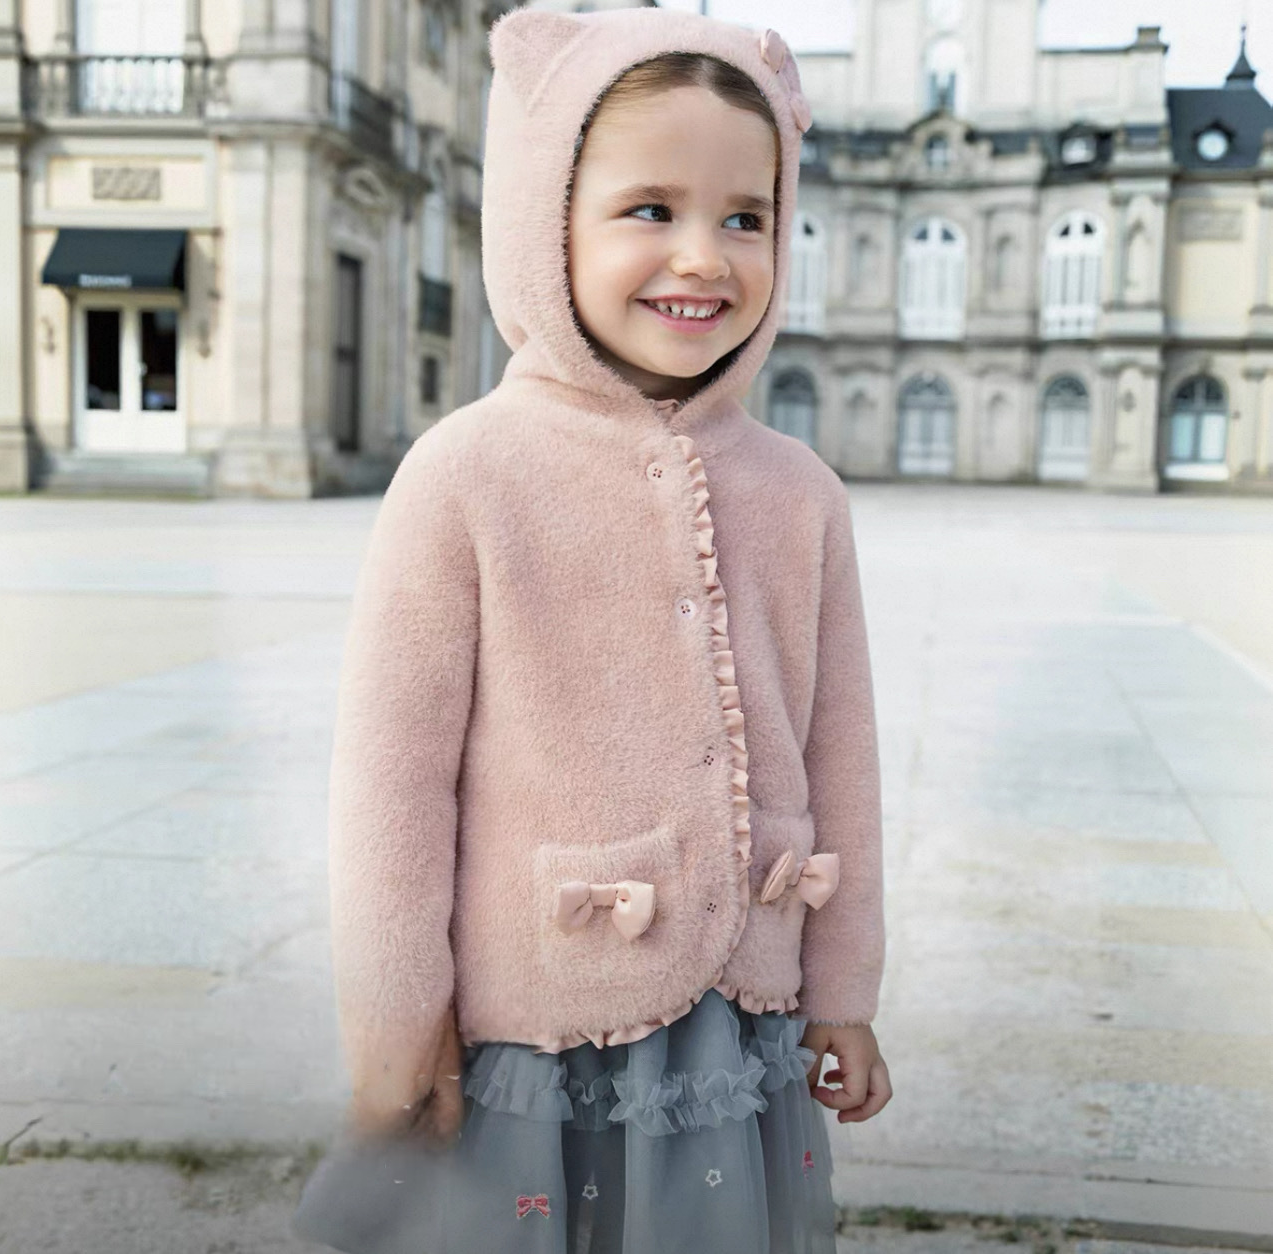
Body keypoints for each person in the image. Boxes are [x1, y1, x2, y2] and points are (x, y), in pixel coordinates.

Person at [292, 7, 890, 1253]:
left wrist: (843, 988)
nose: (704, 258)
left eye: (747, 217)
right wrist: (396, 1028)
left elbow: (843, 757)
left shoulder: (803, 493)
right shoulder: (468, 473)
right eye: (649, 209)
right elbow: (393, 786)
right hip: (538, 1029)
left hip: (747, 1023)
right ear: (543, 219)